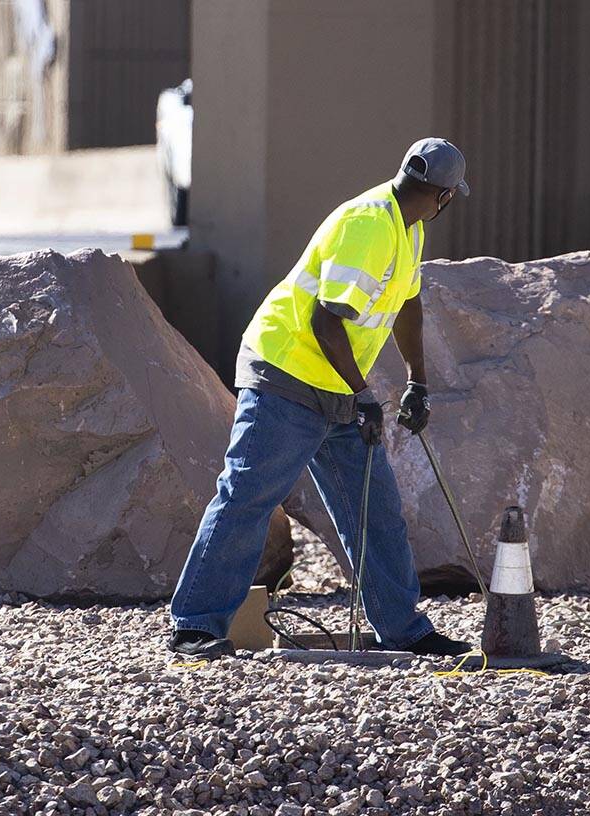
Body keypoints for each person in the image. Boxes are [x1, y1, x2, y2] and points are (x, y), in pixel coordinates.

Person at [168, 138, 475, 659]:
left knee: (374, 512)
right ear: (444, 197)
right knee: (248, 496)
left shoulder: (409, 229)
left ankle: (402, 630)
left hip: (336, 387)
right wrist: (363, 394)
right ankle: (194, 626)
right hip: (286, 375)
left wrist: (416, 380)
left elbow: (407, 305)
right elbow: (324, 321)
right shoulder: (370, 225)